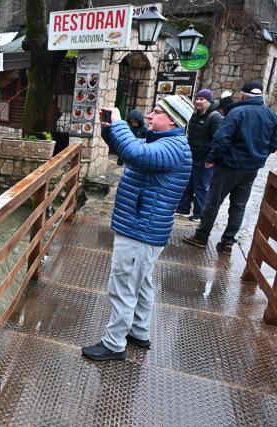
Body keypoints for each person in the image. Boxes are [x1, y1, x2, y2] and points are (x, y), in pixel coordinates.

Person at [82, 95, 193, 361]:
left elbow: (135, 152)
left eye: (157, 112)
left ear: (174, 120)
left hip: (140, 229)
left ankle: (114, 344)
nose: (150, 116)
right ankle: (139, 331)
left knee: (122, 286)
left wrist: (120, 124)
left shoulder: (174, 147)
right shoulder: (163, 142)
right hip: (143, 228)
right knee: (140, 283)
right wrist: (110, 129)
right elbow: (128, 149)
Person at [183, 80, 277, 254]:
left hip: (229, 165)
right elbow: (274, 142)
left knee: (213, 201)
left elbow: (222, 139)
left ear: (242, 95)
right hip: (251, 169)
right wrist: (261, 154)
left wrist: (212, 158)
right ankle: (227, 243)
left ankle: (202, 237)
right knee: (239, 205)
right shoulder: (271, 115)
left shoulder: (237, 112)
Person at [176, 89, 223, 222]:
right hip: (191, 157)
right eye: (197, 98)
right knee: (187, 185)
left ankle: (199, 214)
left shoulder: (215, 117)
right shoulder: (194, 115)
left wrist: (211, 159)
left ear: (208, 101)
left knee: (201, 188)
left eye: (202, 99)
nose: (198, 101)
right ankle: (183, 209)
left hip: (205, 160)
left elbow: (218, 141)